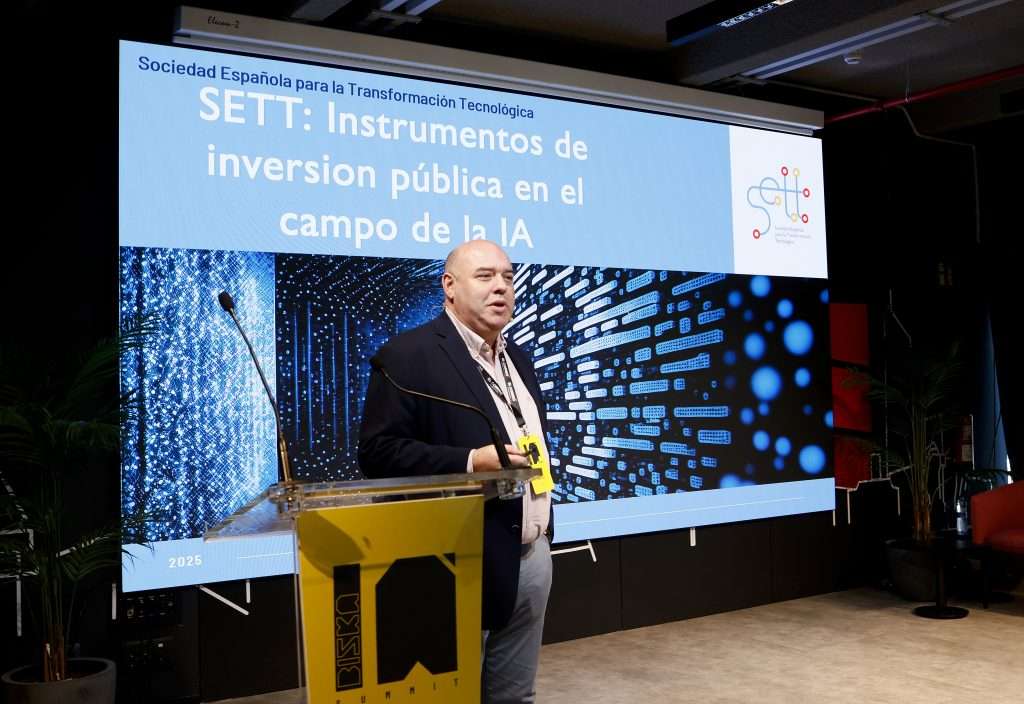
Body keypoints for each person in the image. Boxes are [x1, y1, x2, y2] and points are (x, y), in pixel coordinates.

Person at [359, 239, 553, 704]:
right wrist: (469, 462)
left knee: (515, 697)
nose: (501, 287)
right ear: (449, 286)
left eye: (507, 277)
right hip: (456, 563)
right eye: (485, 276)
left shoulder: (518, 359)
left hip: (530, 555)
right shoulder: (408, 355)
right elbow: (378, 453)